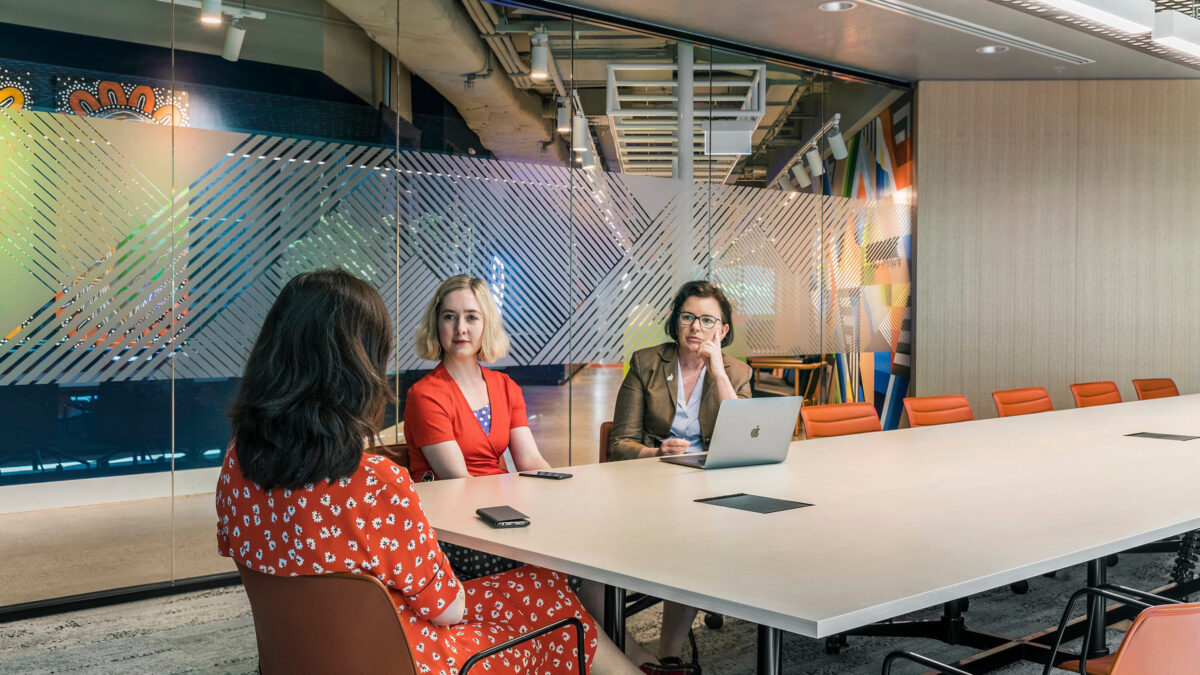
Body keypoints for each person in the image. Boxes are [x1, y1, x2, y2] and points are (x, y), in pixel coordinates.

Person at [216, 269, 640, 675]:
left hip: (301, 656)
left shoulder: (235, 466)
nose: (460, 328)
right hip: (409, 659)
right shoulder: (377, 483)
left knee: (543, 586)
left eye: (472, 317)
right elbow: (449, 608)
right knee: (551, 598)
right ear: (358, 370)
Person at [606, 280, 753, 673]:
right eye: (687, 317)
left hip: (713, 485)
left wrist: (718, 371)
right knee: (693, 544)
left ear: (722, 330)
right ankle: (665, 656)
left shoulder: (737, 372)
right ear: (675, 322)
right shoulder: (646, 362)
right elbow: (618, 444)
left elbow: (745, 438)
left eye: (708, 320)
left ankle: (669, 657)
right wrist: (655, 452)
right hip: (654, 484)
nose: (696, 328)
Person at [403, 274, 553, 580]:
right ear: (437, 324)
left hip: (500, 514)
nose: (460, 328)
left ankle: (585, 627)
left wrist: (561, 493)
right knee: (561, 563)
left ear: (486, 324)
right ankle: (571, 624)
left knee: (583, 551)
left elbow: (530, 461)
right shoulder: (425, 394)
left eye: (471, 317)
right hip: (455, 525)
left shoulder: (505, 386)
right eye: (450, 317)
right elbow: (458, 480)